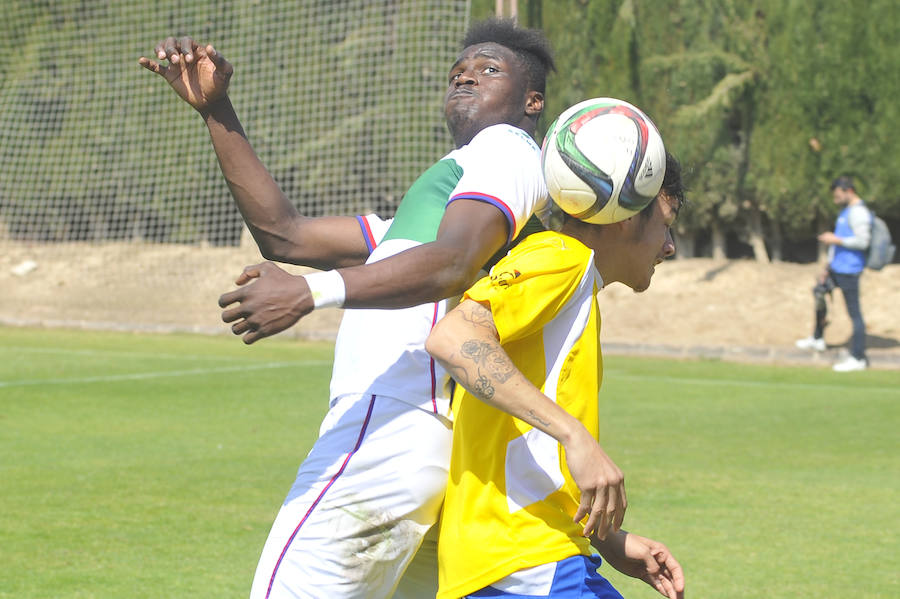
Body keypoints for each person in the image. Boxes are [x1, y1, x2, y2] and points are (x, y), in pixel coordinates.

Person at [140, 19, 626, 598]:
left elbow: (451, 262)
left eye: (488, 69)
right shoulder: (447, 194)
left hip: (388, 428)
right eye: (457, 72)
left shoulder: (507, 149)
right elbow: (287, 236)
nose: (466, 75)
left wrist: (309, 293)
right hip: (424, 454)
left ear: (533, 101)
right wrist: (216, 111)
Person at [426, 152, 686, 599]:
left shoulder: (575, 279)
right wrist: (576, 436)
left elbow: (524, 444)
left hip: (530, 557)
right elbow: (453, 337)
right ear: (622, 216)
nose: (670, 246)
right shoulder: (565, 259)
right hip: (525, 558)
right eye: (666, 224)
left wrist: (609, 540)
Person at [795, 176, 870, 372]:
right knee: (819, 293)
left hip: (850, 270)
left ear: (849, 191)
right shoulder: (845, 212)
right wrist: (827, 267)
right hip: (837, 268)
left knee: (855, 313)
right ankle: (818, 338)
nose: (835, 198)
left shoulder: (859, 213)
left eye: (837, 194)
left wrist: (835, 240)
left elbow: (863, 241)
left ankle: (858, 357)